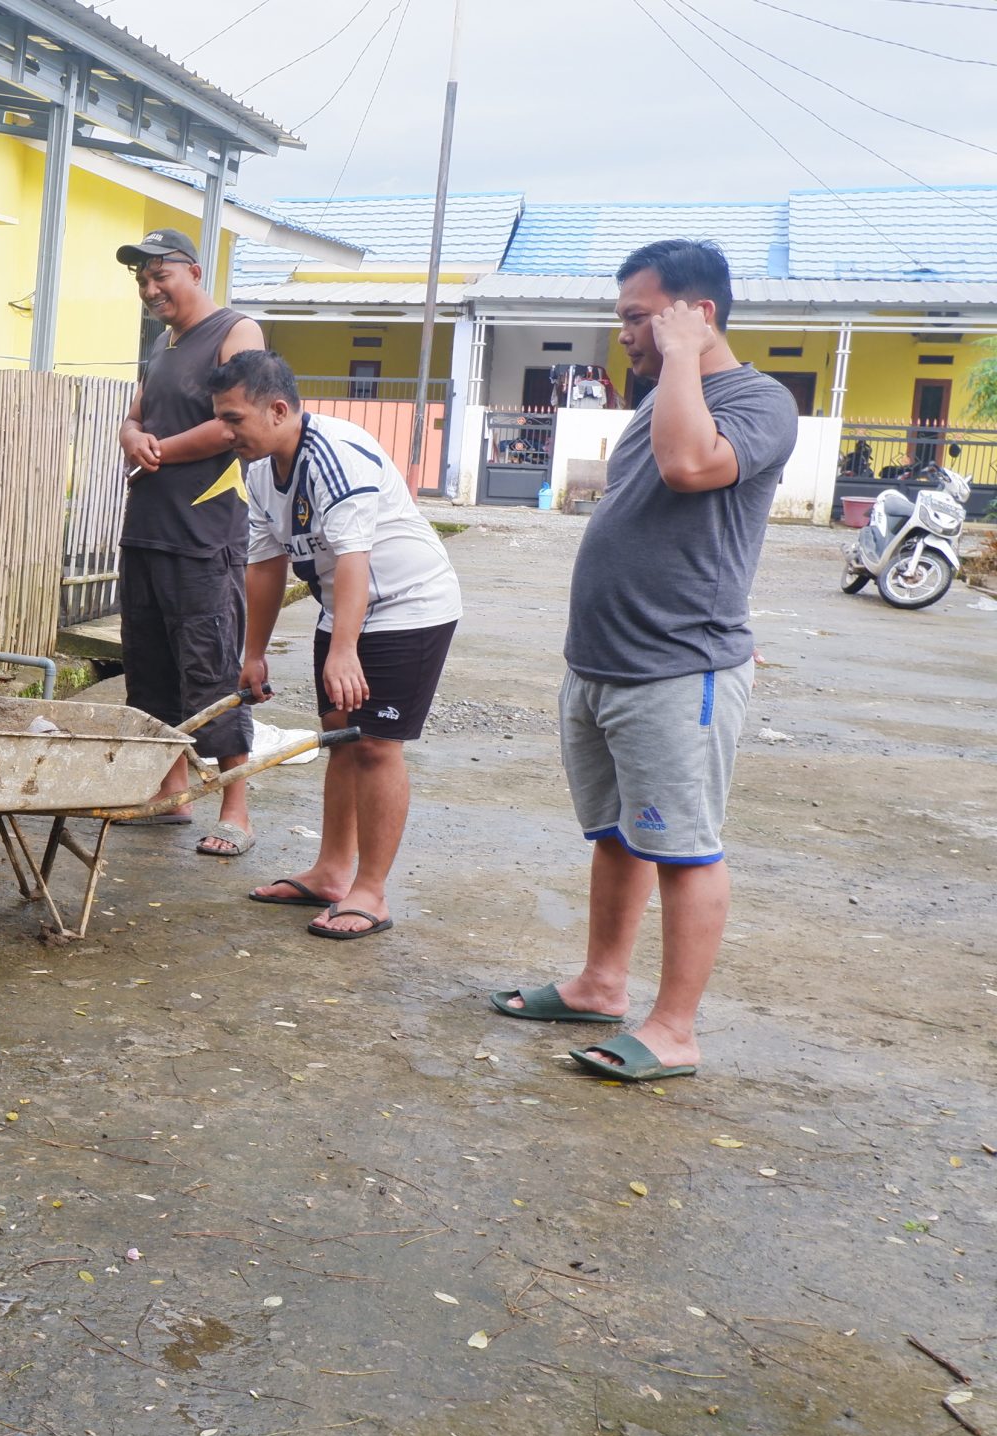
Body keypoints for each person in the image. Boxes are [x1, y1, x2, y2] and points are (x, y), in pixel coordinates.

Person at [489, 240, 798, 1082]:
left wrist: (687, 357)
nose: (623, 332)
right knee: (618, 835)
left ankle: (675, 1029)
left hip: (677, 667)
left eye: (639, 316)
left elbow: (689, 466)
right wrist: (674, 369)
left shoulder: (760, 401)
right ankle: (600, 983)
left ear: (696, 313)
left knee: (685, 847)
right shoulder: (663, 395)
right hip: (602, 664)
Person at [214, 351, 463, 941]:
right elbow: (266, 565)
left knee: (376, 744)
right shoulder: (258, 469)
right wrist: (253, 654)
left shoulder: (335, 455)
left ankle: (370, 891)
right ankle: (331, 872)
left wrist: (344, 649)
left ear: (278, 409)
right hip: (345, 609)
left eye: (233, 419)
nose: (224, 432)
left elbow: (355, 558)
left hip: (408, 607)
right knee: (341, 740)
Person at [113, 228, 266, 857]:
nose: (151, 290)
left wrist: (160, 450)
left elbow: (238, 424)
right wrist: (130, 435)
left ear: (194, 272)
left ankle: (236, 808)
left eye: (161, 277)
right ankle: (169, 794)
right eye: (142, 280)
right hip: (147, 527)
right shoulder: (163, 344)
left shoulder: (237, 332)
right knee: (148, 666)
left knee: (209, 666)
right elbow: (136, 411)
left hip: (204, 534)